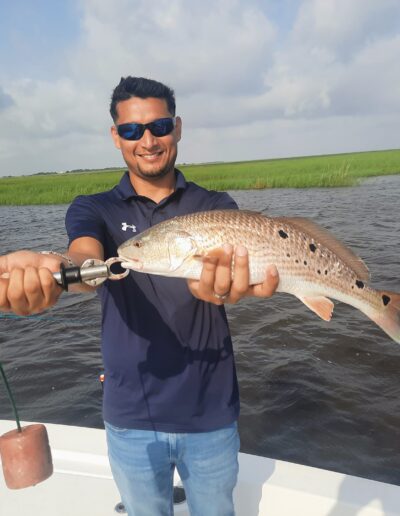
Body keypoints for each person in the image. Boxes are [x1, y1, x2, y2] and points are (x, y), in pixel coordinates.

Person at [0, 77, 279, 516]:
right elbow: (85, 260)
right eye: (132, 130)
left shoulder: (215, 205)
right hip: (130, 416)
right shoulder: (95, 207)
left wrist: (228, 287)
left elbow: (231, 278)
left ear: (177, 128)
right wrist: (54, 273)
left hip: (211, 411)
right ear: (116, 136)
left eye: (159, 126)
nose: (147, 141)